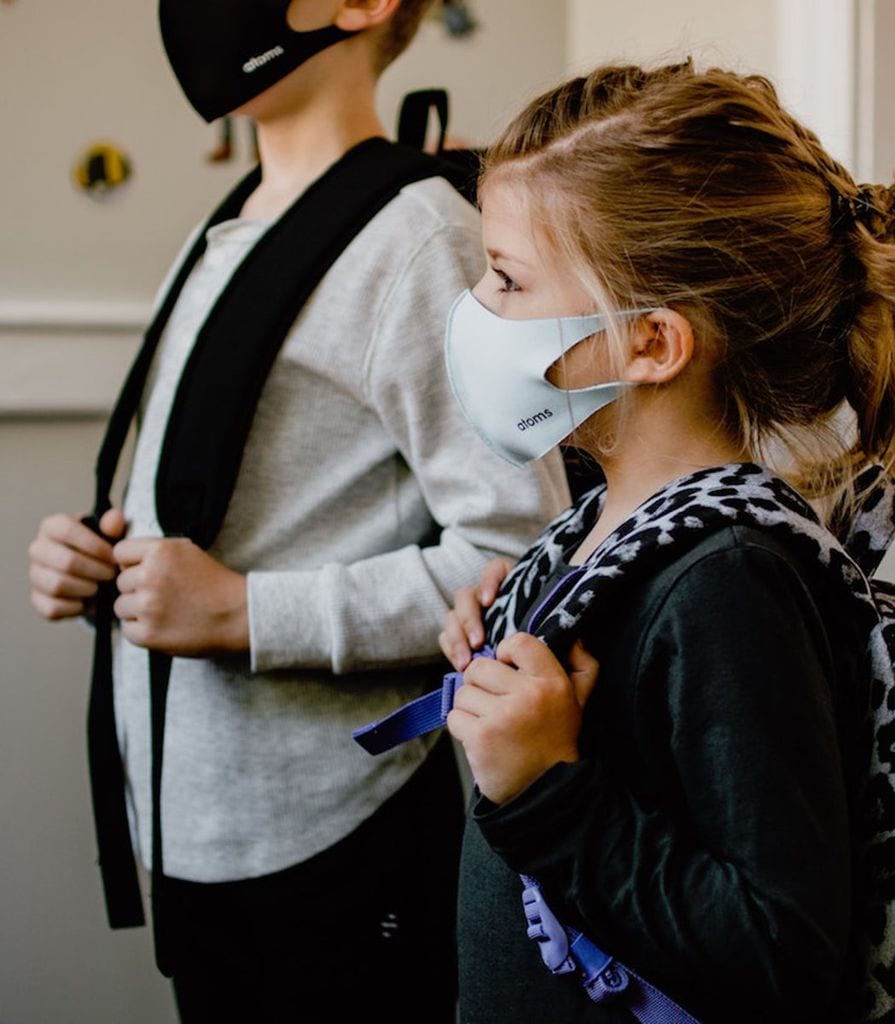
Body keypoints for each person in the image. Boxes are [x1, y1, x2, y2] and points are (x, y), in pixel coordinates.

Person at [27, 1, 569, 1020]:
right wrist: (94, 549)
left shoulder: (418, 239)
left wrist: (244, 613)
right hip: (192, 820)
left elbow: (520, 552)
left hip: (333, 832)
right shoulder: (223, 225)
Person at [438, 61, 895, 1023]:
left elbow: (782, 956)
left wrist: (548, 793)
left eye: (508, 279)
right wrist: (518, 617)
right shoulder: (615, 524)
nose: (476, 307)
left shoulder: (729, 584)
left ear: (652, 343)